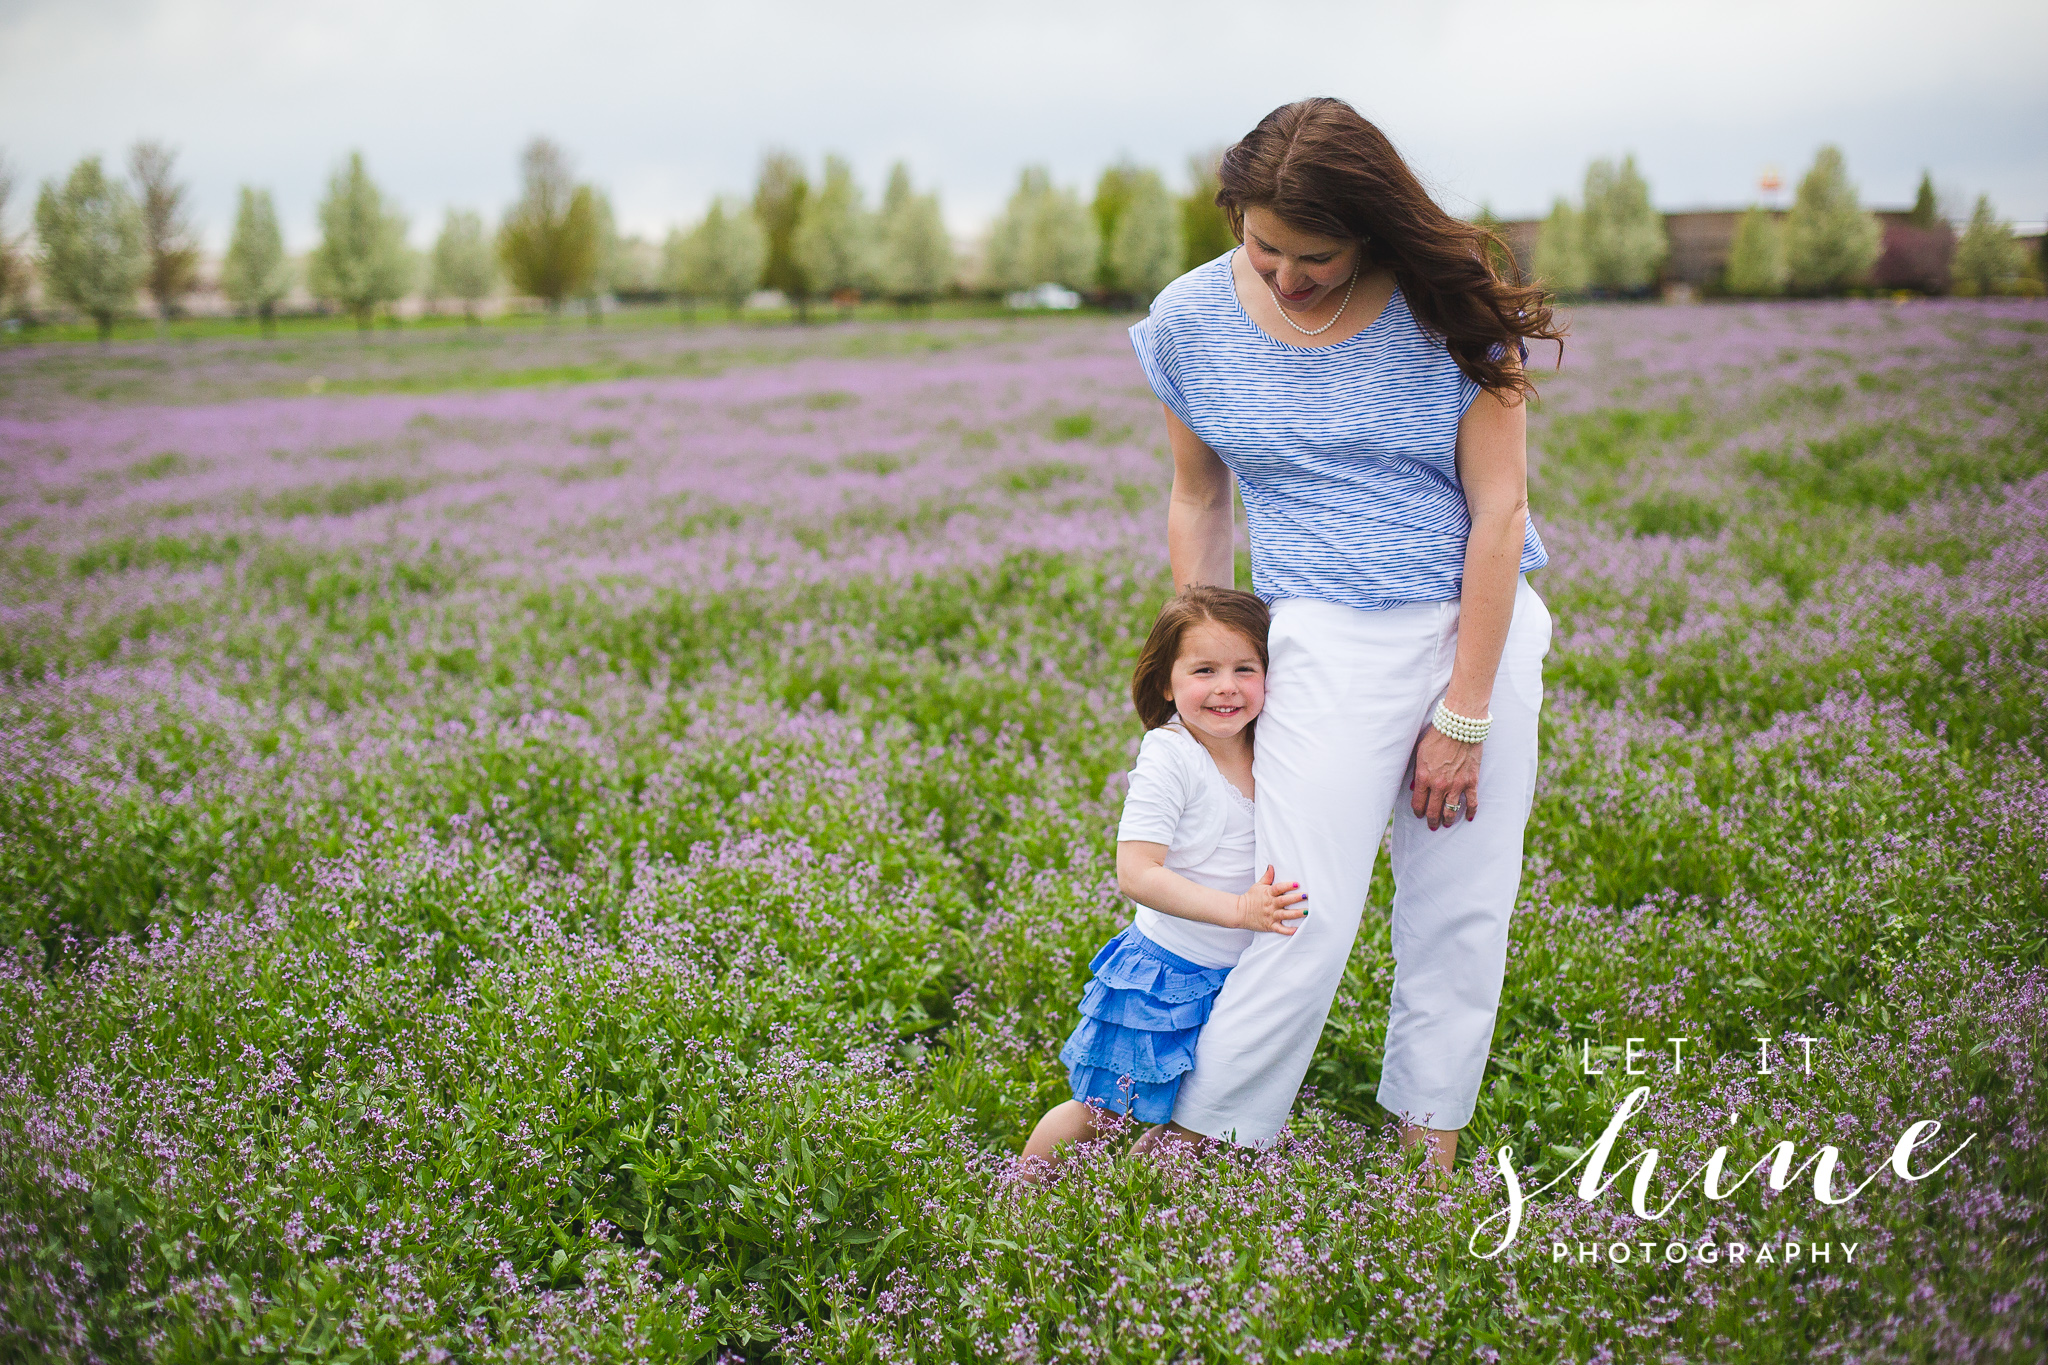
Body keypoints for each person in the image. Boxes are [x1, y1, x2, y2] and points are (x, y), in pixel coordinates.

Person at [1126, 97, 1566, 1178]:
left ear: (1368, 226)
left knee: (1459, 912)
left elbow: (1499, 517)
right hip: (1314, 636)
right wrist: (1211, 672)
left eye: (1311, 256)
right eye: (1262, 246)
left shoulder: (1448, 307)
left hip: (1476, 627)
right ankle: (1203, 1158)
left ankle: (1426, 1171)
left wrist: (1462, 711)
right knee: (1296, 911)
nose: (1283, 275)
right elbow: (1197, 500)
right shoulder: (1187, 321)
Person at [1018, 586, 1307, 1175]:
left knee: (1199, 1117)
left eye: (1244, 669)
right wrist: (1238, 911)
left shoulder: (1271, 742)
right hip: (1166, 973)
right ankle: (1020, 1200)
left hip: (1240, 978)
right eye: (1204, 670)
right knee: (1104, 1111)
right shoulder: (1170, 755)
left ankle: (1144, 1216)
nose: (1226, 686)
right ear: (1168, 683)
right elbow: (1136, 871)